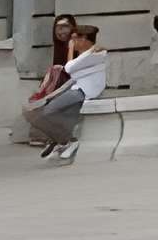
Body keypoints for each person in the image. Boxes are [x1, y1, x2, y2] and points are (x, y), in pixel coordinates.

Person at [22, 24, 105, 162]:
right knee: (44, 113)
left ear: (83, 39)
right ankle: (59, 141)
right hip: (75, 89)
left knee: (46, 113)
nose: (71, 42)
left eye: (74, 39)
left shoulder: (95, 54)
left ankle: (67, 141)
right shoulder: (89, 54)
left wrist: (71, 49)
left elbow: (69, 67)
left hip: (83, 91)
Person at [10, 15, 80, 144]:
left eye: (65, 27)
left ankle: (44, 135)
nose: (61, 31)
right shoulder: (60, 45)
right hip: (63, 82)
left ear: (72, 28)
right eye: (58, 27)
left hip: (71, 82)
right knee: (39, 102)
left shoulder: (72, 42)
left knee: (45, 102)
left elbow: (69, 67)